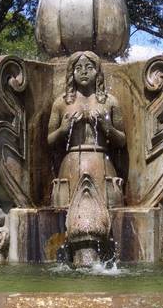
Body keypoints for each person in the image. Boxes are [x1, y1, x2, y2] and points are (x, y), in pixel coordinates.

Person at [48, 51, 126, 207]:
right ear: (71, 72)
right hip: (70, 166)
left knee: (108, 212)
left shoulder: (109, 101)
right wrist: (63, 129)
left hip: (102, 165)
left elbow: (122, 141)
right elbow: (50, 140)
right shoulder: (62, 102)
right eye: (78, 68)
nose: (84, 71)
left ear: (97, 72)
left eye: (89, 67)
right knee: (65, 215)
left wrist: (107, 127)